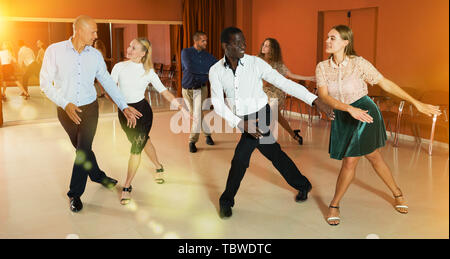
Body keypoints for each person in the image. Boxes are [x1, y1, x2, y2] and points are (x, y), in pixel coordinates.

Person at [315, 25, 441, 226]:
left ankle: (334, 204)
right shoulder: (322, 67)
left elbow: (385, 83)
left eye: (333, 38)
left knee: (349, 161)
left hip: (365, 113)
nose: (328, 41)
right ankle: (397, 192)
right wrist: (346, 109)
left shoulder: (359, 64)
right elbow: (323, 95)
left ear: (346, 42)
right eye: (327, 37)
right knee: (374, 156)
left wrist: (415, 103)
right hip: (345, 114)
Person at [209, 27, 334, 219]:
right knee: (273, 153)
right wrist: (241, 124)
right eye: (237, 42)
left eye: (244, 41)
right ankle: (303, 184)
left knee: (240, 159)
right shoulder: (216, 70)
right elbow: (217, 103)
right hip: (244, 120)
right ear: (225, 46)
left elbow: (283, 83)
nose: (244, 45)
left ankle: (226, 201)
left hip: (261, 115)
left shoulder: (255, 63)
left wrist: (314, 100)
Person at [39, 15, 142, 213]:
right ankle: (97, 175)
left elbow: (107, 81)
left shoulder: (94, 55)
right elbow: (45, 84)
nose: (96, 35)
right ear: (79, 30)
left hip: (89, 108)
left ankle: (74, 194)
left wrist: (124, 105)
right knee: (81, 148)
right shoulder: (55, 51)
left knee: (83, 149)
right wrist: (65, 103)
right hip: (65, 110)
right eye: (93, 31)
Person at [111, 37, 189, 205]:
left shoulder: (149, 72)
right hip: (124, 112)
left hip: (142, 113)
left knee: (136, 148)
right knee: (143, 142)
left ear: (143, 53)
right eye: (130, 45)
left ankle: (127, 185)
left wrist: (181, 107)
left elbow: (164, 92)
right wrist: (124, 108)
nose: (129, 49)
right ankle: (159, 166)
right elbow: (111, 91)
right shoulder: (119, 67)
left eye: (134, 47)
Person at [258, 38, 316, 145]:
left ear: (272, 49)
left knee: (269, 109)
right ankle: (294, 135)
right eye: (263, 44)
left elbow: (291, 75)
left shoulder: (278, 64)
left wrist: (310, 78)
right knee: (278, 117)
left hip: (274, 93)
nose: (263, 47)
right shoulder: (258, 61)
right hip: (262, 91)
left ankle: (264, 136)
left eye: (267, 46)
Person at [181, 31, 217, 153]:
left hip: (200, 89)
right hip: (186, 90)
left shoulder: (208, 56)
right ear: (196, 41)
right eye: (203, 41)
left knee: (196, 115)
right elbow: (190, 68)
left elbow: (217, 66)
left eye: (206, 40)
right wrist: (207, 71)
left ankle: (192, 141)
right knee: (197, 114)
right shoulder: (186, 52)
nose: (206, 43)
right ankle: (208, 134)